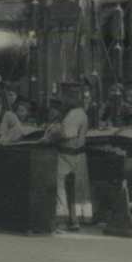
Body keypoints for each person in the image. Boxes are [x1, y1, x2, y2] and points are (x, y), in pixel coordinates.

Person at [46, 80, 89, 232]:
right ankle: (73, 220)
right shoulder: (76, 112)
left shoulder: (75, 113)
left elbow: (65, 134)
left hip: (68, 154)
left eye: (64, 96)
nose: (62, 99)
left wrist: (50, 135)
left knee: (61, 187)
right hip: (75, 154)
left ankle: (62, 220)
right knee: (74, 189)